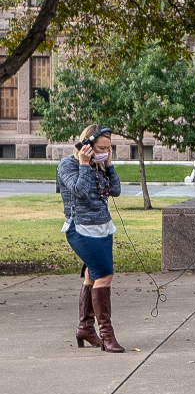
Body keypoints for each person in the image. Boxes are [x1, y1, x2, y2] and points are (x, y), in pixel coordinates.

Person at [59, 124, 125, 352]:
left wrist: (108, 164)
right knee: (105, 275)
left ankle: (85, 328)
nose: (105, 151)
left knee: (92, 274)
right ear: (87, 145)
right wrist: (85, 164)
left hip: (103, 229)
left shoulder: (101, 165)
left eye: (109, 148)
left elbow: (115, 191)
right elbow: (81, 191)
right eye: (101, 147)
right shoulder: (68, 164)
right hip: (81, 230)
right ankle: (107, 335)